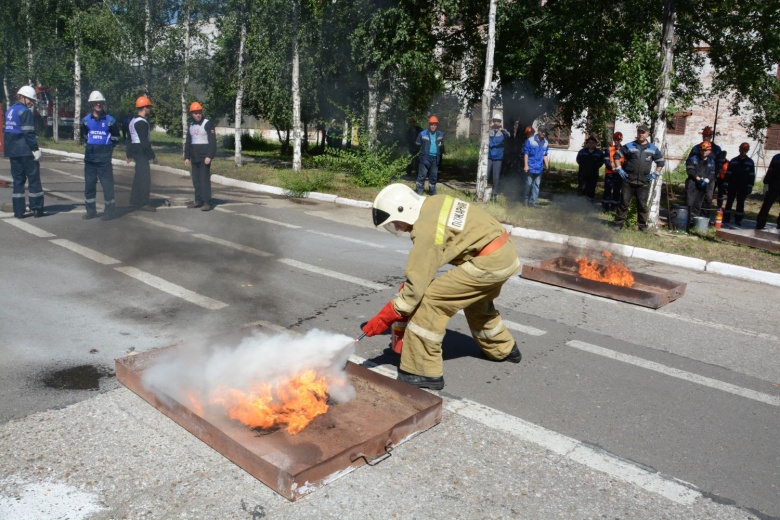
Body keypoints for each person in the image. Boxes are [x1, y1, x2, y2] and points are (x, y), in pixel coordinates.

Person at [362, 183, 522, 390]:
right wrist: (417, 282)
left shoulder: (425, 229)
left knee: (430, 302)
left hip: (487, 263)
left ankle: (421, 371)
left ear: (405, 209)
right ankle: (504, 349)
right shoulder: (435, 203)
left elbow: (415, 290)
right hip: (503, 253)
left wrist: (387, 316)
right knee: (476, 303)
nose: (400, 228)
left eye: (397, 223)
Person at [612, 124, 665, 231]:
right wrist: (619, 169)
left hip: (644, 182)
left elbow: (661, 162)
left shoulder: (653, 148)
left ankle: (642, 227)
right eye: (639, 132)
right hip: (628, 180)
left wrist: (656, 173)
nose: (641, 134)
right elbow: (616, 156)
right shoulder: (629, 146)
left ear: (647, 134)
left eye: (643, 132)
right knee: (624, 204)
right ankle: (618, 224)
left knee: (642, 206)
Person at [3, 86, 44, 218]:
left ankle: (19, 211)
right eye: (30, 99)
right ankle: (37, 208)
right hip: (25, 151)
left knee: (18, 181)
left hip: (13, 152)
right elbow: (28, 133)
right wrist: (35, 149)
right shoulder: (24, 112)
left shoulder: (10, 110)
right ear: (22, 97)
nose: (32, 102)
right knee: (33, 180)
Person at [80, 91, 119, 221]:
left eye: (100, 102)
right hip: (90, 159)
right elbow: (85, 136)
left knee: (107, 186)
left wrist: (107, 149)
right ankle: (90, 211)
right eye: (96, 102)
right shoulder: (85, 121)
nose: (98, 104)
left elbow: (116, 138)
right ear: (91, 104)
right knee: (89, 186)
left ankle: (109, 211)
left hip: (104, 159)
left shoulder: (111, 120)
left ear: (103, 103)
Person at [183, 102, 217, 211]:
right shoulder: (191, 125)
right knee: (196, 181)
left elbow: (212, 142)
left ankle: (207, 202)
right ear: (191, 114)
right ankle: (198, 201)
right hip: (195, 157)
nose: (198, 115)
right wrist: (186, 157)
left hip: (204, 158)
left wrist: (209, 156)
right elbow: (188, 142)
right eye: (195, 113)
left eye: (199, 113)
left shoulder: (207, 124)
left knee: (204, 180)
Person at [126, 96, 157, 212]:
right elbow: (145, 142)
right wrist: (152, 155)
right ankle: (144, 202)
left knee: (138, 176)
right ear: (144, 108)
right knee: (145, 178)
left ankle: (134, 200)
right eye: (148, 107)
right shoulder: (142, 123)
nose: (149, 109)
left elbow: (129, 139)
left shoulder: (132, 120)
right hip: (141, 150)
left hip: (135, 149)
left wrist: (128, 154)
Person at [684, 141, 717, 229]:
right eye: (702, 150)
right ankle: (687, 223)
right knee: (689, 203)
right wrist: (698, 178)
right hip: (693, 184)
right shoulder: (693, 159)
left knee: (698, 204)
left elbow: (712, 173)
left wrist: (707, 180)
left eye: (706, 150)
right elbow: (690, 171)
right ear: (700, 150)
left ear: (710, 151)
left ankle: (694, 223)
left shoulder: (711, 161)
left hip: (703, 185)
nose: (704, 152)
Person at [723, 143, 755, 226]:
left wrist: (750, 185)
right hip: (732, 185)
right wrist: (725, 182)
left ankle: (738, 219)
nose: (743, 151)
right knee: (729, 202)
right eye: (741, 149)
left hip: (743, 186)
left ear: (747, 151)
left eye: (745, 150)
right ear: (739, 149)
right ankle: (726, 218)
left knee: (740, 203)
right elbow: (728, 173)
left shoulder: (750, 162)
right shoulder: (733, 161)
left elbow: (752, 175)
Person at [415, 116, 444, 195]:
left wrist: (440, 156)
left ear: (437, 125)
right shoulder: (422, 134)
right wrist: (422, 153)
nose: (433, 126)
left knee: (434, 175)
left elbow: (441, 146)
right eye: (431, 124)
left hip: (435, 158)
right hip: (425, 157)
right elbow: (417, 144)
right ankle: (420, 190)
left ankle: (432, 191)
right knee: (422, 175)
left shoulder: (440, 134)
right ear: (429, 125)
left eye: (434, 125)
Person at [523, 126, 549, 206]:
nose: (544, 133)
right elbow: (526, 154)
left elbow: (545, 155)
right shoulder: (530, 141)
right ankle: (525, 199)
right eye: (542, 131)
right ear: (539, 131)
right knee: (528, 184)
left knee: (536, 185)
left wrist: (547, 167)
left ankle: (532, 202)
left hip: (539, 168)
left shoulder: (546, 142)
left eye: (545, 132)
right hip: (530, 167)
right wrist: (526, 165)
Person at [487, 113, 510, 201]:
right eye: (494, 121)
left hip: (498, 158)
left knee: (496, 176)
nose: (496, 123)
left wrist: (502, 129)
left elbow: (509, 136)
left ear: (500, 122)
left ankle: (494, 194)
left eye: (498, 121)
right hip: (489, 157)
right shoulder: (490, 131)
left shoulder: (504, 132)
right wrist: (489, 128)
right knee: (486, 174)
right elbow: (483, 137)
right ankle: (483, 191)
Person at [756, 153, 780, 230]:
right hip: (773, 186)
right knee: (766, 205)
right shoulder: (776, 157)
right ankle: (760, 223)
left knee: (766, 205)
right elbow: (770, 170)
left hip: (774, 185)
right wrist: (766, 182)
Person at [576, 135, 604, 202]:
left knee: (591, 189)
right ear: (587, 143)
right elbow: (578, 160)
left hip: (593, 174)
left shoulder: (599, 153)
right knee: (582, 188)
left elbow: (601, 162)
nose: (591, 144)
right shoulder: (582, 151)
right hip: (582, 174)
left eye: (593, 142)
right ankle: (579, 202)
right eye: (589, 142)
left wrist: (594, 167)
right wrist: (584, 167)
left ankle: (589, 204)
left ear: (595, 144)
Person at [602, 132, 623, 211]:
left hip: (619, 174)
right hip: (610, 173)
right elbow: (606, 160)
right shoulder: (609, 149)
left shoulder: (623, 150)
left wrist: (620, 170)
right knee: (607, 189)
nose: (617, 141)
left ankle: (615, 207)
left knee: (617, 190)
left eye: (618, 139)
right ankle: (605, 206)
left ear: (621, 140)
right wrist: (612, 168)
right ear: (613, 140)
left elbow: (625, 162)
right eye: (615, 139)